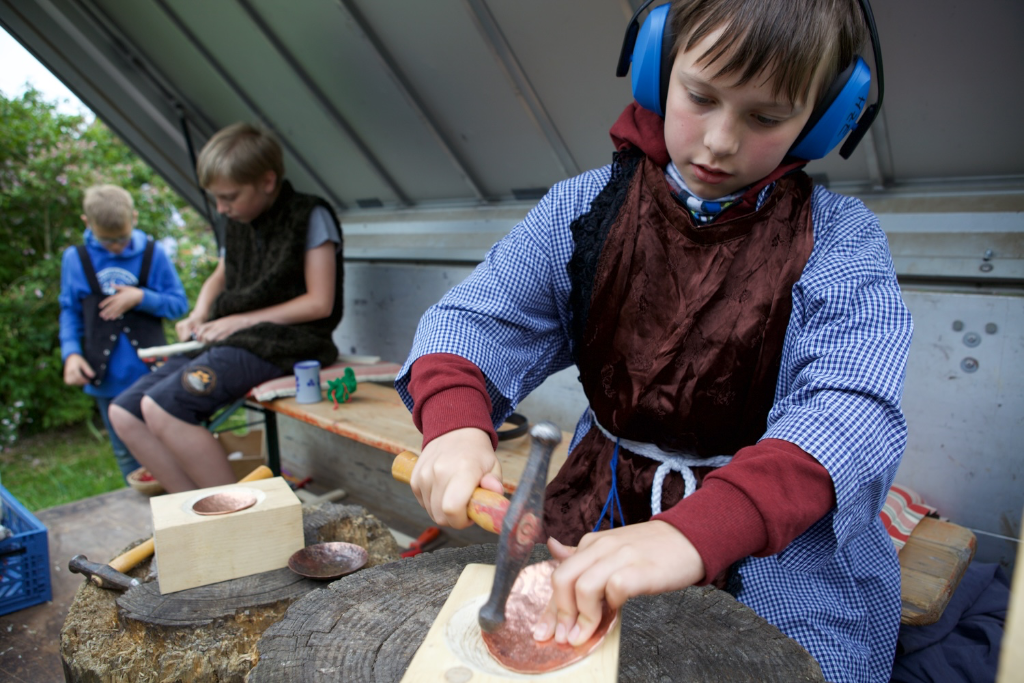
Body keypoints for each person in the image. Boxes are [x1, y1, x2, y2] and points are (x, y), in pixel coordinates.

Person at [395, 1, 913, 681]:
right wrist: (456, 423)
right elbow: (476, 321)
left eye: (766, 116)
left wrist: (699, 531)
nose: (720, 141)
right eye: (700, 96)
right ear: (656, 69)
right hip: (601, 502)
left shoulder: (843, 242)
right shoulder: (583, 210)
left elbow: (852, 412)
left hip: (772, 543)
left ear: (822, 118)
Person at [108, 122, 344, 493]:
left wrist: (239, 321)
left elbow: (320, 303)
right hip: (232, 336)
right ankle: (195, 511)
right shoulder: (238, 219)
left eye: (229, 197)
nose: (221, 208)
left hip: (289, 341)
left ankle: (237, 517)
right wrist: (200, 313)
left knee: (164, 408)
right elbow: (221, 273)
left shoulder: (309, 214)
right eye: (216, 198)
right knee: (125, 412)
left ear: (267, 181)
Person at [59, 184, 189, 481]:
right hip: (106, 376)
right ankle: (143, 509)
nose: (117, 246)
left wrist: (141, 297)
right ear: (87, 223)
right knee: (124, 450)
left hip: (152, 375)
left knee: (164, 443)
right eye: (108, 240)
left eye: (122, 238)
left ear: (134, 217)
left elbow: (178, 304)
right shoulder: (75, 259)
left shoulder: (154, 254)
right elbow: (69, 310)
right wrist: (71, 354)